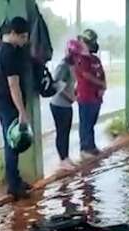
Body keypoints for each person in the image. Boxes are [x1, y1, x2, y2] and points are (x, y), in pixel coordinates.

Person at [0, 17, 32, 200]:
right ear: (14, 34)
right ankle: (13, 186)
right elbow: (13, 85)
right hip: (9, 105)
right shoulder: (8, 53)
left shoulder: (1, 47)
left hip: (4, 104)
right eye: (23, 37)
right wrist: (22, 112)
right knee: (12, 144)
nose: (25, 41)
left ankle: (15, 180)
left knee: (13, 146)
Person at [49, 39, 86, 173]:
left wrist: (74, 93)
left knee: (66, 131)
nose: (78, 58)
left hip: (66, 104)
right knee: (62, 132)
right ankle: (62, 160)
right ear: (71, 53)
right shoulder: (63, 66)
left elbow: (70, 84)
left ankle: (66, 157)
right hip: (59, 104)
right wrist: (71, 97)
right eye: (76, 55)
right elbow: (57, 86)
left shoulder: (71, 65)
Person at [74, 29, 106, 160]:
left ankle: (91, 146)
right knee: (85, 123)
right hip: (85, 96)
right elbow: (86, 75)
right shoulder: (80, 59)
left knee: (92, 122)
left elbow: (102, 73)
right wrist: (100, 84)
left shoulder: (95, 59)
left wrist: (103, 86)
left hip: (96, 97)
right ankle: (85, 148)